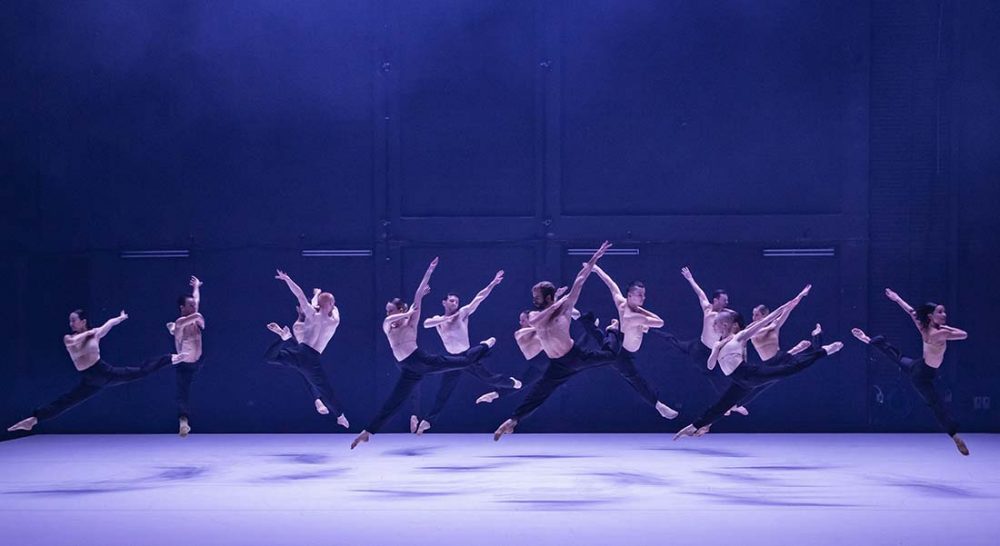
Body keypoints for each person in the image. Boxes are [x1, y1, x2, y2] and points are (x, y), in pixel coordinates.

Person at [351, 258, 496, 449]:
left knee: (462, 362)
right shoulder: (388, 324)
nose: (388, 314)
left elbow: (418, 295)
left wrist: (429, 270)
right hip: (408, 368)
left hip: (421, 360)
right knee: (395, 400)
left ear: (400, 308)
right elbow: (393, 319)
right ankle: (368, 431)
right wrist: (406, 313)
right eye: (387, 311)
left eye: (390, 310)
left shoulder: (411, 320)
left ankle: (485, 346)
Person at [8, 309, 188, 433]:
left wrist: (118, 319)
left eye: (73, 320)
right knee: (66, 402)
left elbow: (107, 325)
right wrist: (93, 331)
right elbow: (75, 342)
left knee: (140, 371)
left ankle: (170, 359)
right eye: (70, 320)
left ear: (82, 321)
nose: (71, 323)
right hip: (89, 380)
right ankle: (34, 419)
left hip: (104, 372)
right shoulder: (69, 338)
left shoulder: (94, 334)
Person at [851, 288, 970, 456]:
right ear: (931, 316)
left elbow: (910, 311)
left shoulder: (924, 327)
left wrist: (896, 298)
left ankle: (868, 340)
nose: (944, 315)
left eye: (944, 312)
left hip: (919, 366)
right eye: (940, 312)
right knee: (936, 404)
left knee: (898, 358)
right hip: (922, 376)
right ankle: (955, 436)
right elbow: (964, 334)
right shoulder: (940, 333)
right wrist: (946, 327)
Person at [264, 270, 349, 429]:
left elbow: (300, 295)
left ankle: (283, 338)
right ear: (330, 305)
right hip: (311, 358)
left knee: (270, 358)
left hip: (300, 352)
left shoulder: (311, 314)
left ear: (317, 305)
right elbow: (332, 306)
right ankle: (339, 415)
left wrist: (287, 279)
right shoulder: (334, 320)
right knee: (325, 389)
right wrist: (321, 298)